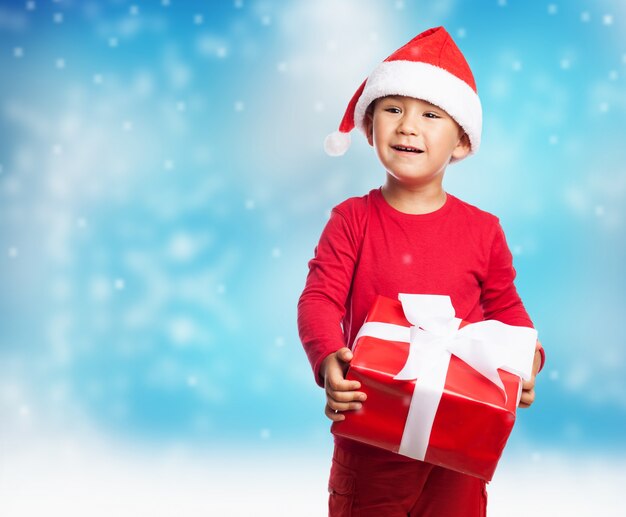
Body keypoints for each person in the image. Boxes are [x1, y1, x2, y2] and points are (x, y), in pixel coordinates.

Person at [297, 27, 545, 516]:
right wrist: (329, 358)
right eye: (393, 109)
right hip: (371, 429)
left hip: (460, 442)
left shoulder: (483, 230)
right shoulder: (352, 219)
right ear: (369, 129)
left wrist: (526, 361)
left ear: (461, 143)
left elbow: (507, 310)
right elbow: (319, 298)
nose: (408, 126)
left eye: (431, 115)